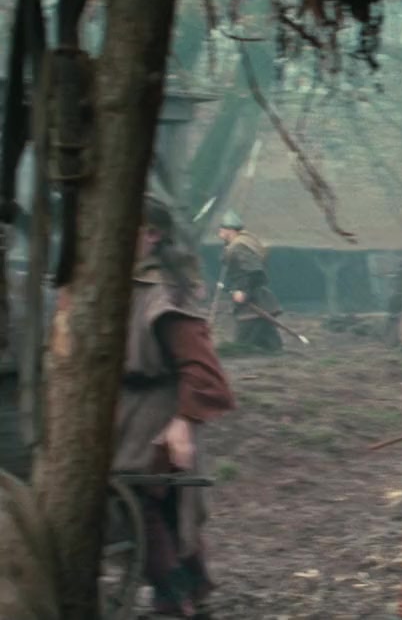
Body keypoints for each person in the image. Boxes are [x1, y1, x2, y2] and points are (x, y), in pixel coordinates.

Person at [115, 195, 235, 618]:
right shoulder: (125, 284)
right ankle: (195, 589)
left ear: (152, 235)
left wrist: (183, 421)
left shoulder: (164, 293)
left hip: (159, 414)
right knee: (162, 504)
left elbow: (202, 369)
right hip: (129, 413)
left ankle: (173, 597)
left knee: (139, 502)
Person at [216, 210, 283, 352]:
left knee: (242, 343)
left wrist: (242, 290)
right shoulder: (237, 244)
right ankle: (274, 351)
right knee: (269, 340)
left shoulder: (239, 246)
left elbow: (253, 270)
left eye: (223, 228)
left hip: (252, 298)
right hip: (255, 298)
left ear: (231, 230)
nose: (220, 230)